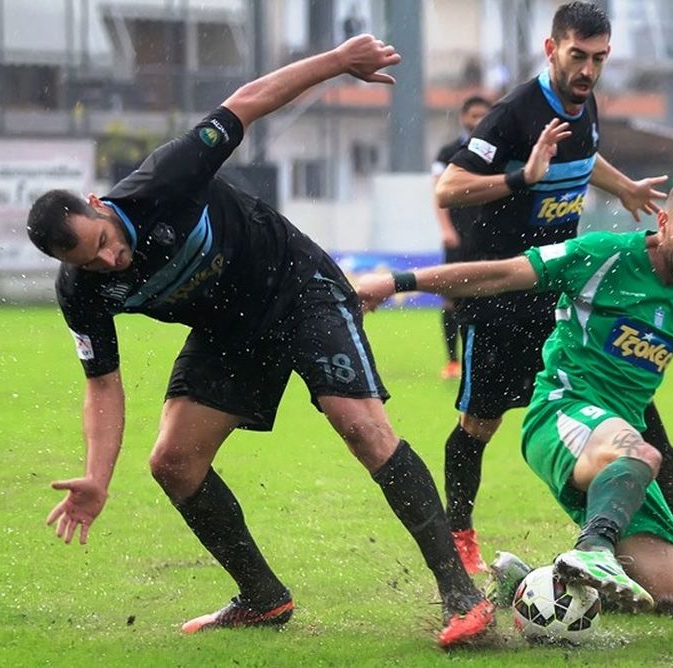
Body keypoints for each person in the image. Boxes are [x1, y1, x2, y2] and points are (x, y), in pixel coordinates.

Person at [25, 35, 493, 647]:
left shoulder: (166, 178)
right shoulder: (81, 292)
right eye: (93, 261)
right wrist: (96, 476)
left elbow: (246, 102)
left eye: (106, 240)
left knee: (359, 426)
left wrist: (337, 63)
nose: (112, 259)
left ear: (97, 204)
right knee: (172, 462)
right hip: (228, 330)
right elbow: (102, 383)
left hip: (299, 288)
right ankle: (262, 597)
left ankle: (460, 594)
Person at [357, 178, 673, 612]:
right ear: (664, 222)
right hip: (560, 415)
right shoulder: (601, 256)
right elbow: (500, 274)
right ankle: (594, 548)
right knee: (640, 450)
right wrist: (397, 282)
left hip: (618, 458)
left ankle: (528, 585)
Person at [434, 1, 673, 574]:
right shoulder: (513, 114)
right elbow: (450, 188)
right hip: (502, 295)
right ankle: (459, 533)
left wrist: (622, 188)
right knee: (479, 422)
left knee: (628, 394)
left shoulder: (584, 101)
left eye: (599, 58)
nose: (588, 70)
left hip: (563, 295)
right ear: (552, 49)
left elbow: (585, 154)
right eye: (578, 56)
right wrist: (523, 176)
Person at [431, 95, 492, 380]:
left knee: (482, 298)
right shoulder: (448, 152)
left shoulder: (497, 150)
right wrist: (446, 229)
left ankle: (476, 362)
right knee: (451, 298)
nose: (478, 121)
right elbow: (437, 192)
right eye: (474, 116)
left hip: (486, 237)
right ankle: (452, 361)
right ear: (463, 118)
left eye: (484, 116)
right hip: (458, 235)